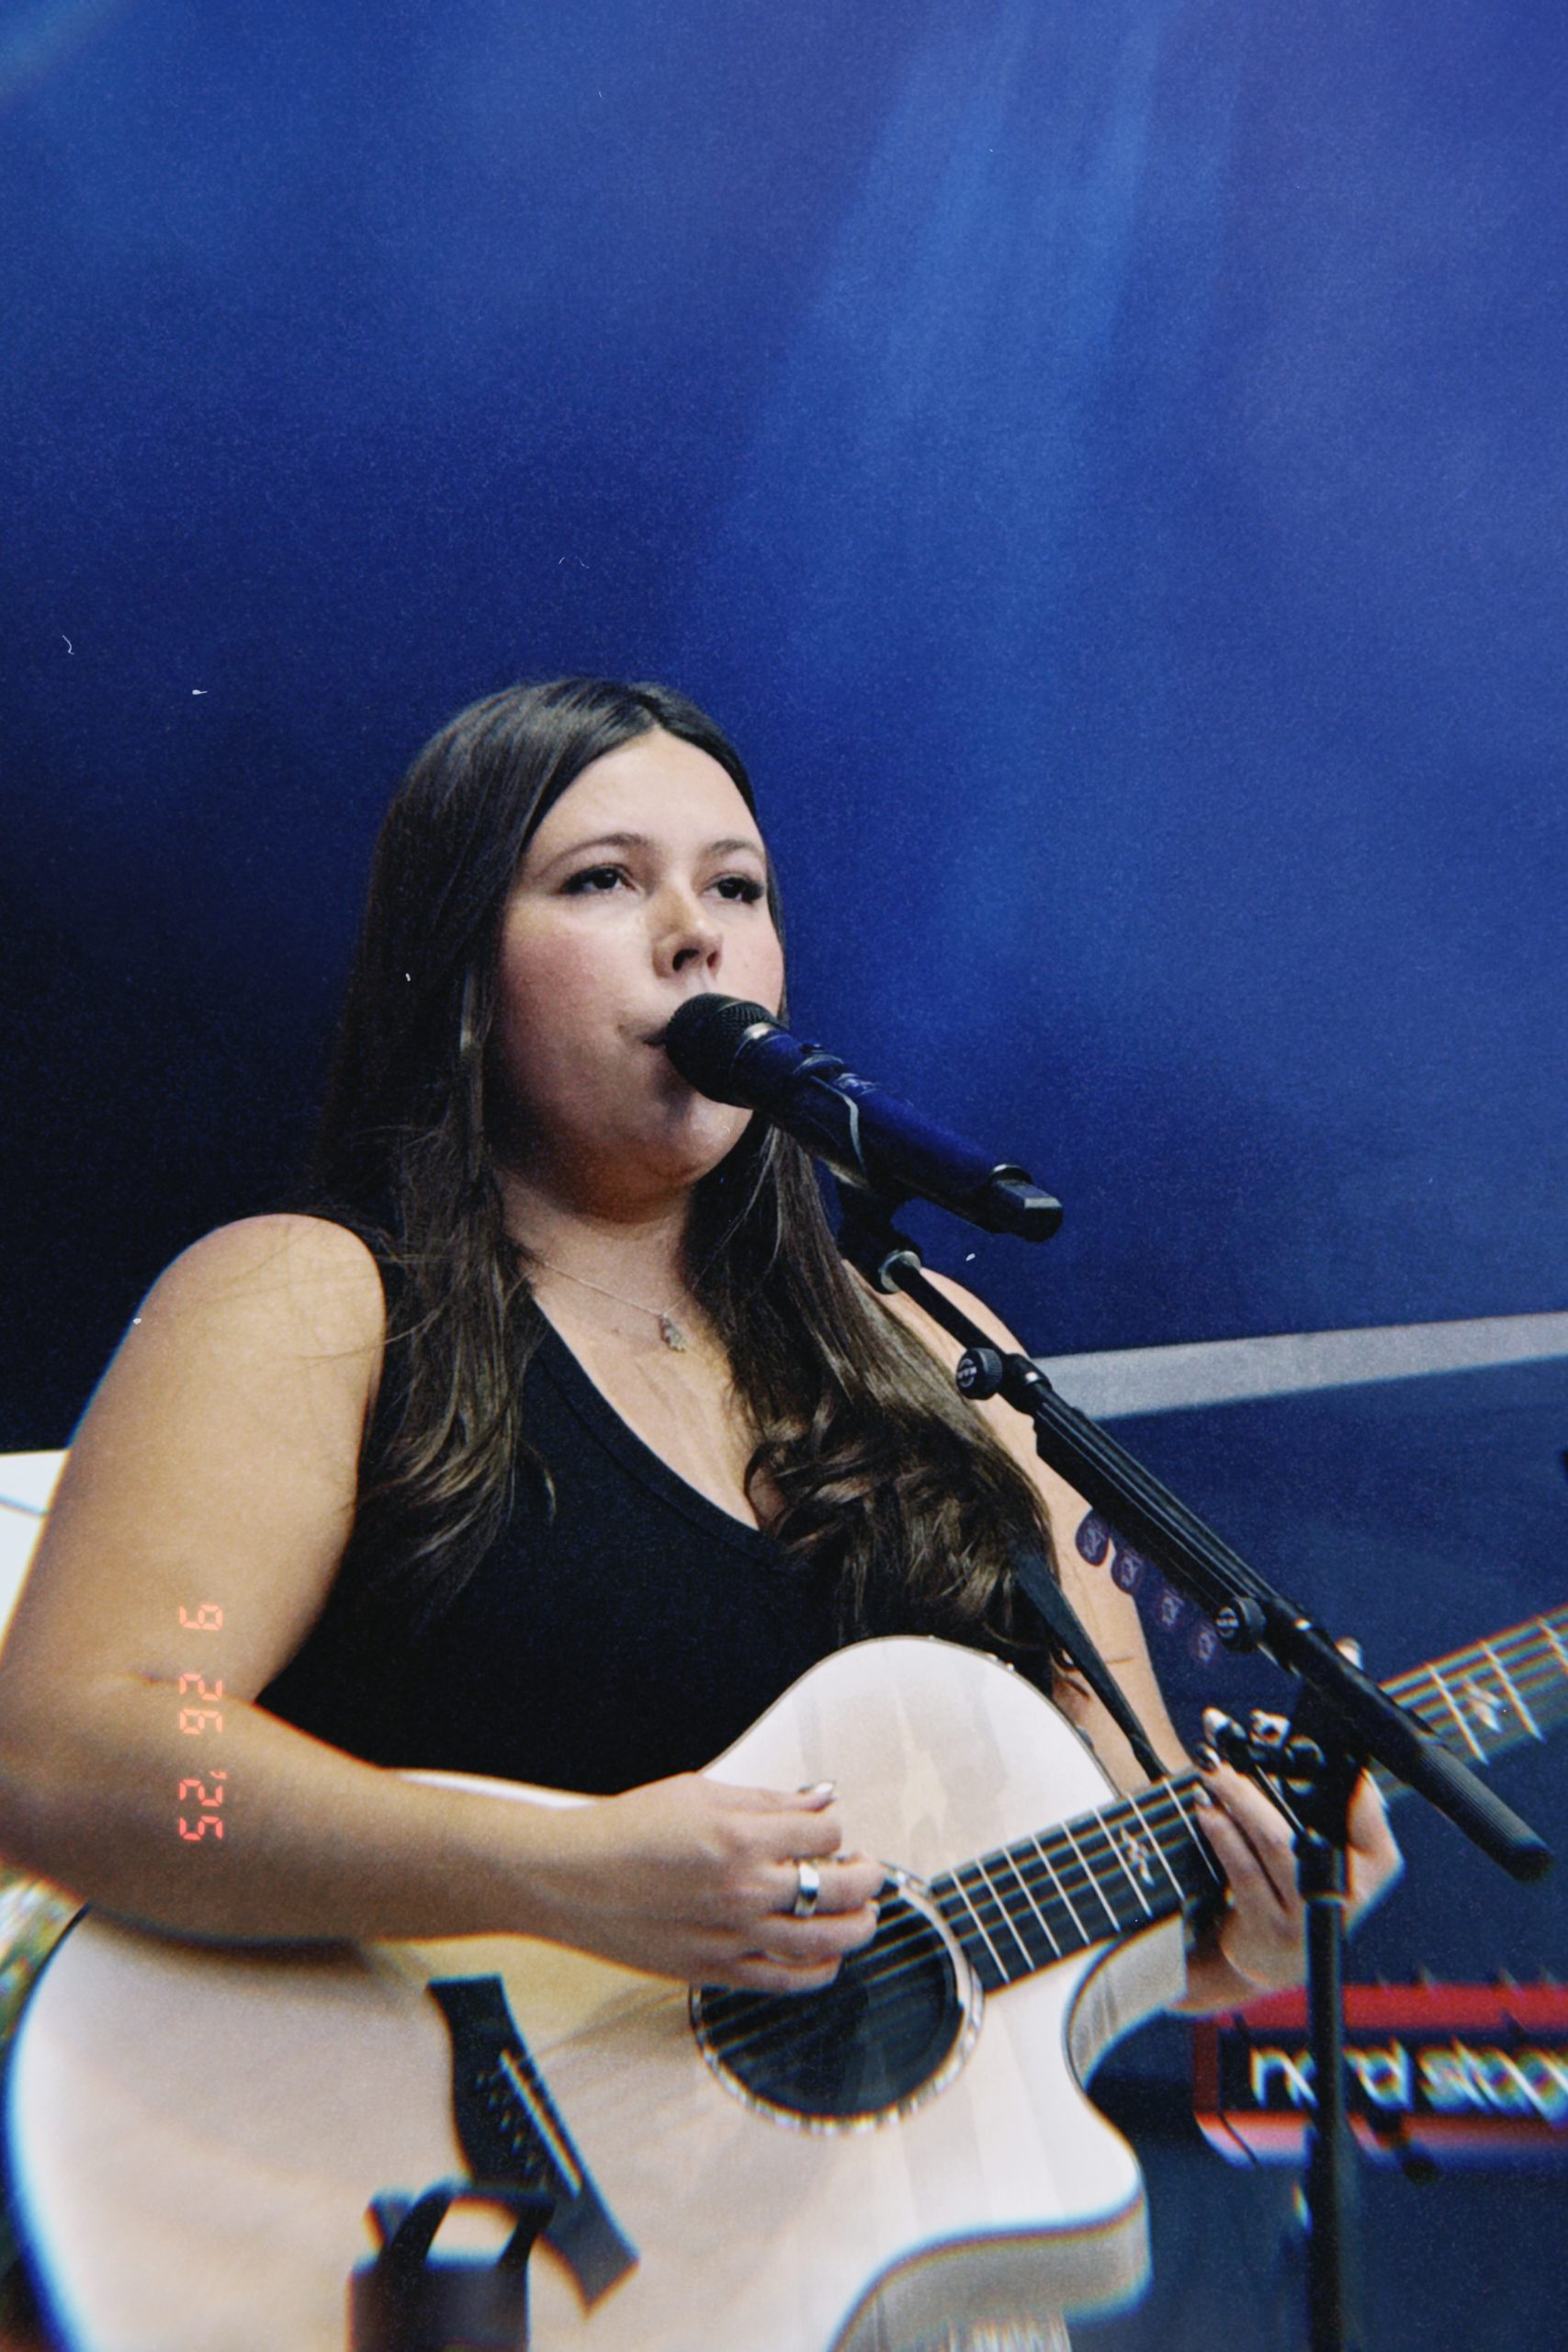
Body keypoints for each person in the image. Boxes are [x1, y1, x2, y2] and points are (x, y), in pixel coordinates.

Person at [0, 675, 1398, 2002]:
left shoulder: (941, 1350)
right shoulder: (309, 1301)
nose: (695, 933)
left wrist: (1232, 1949)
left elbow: (1089, 1871)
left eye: (736, 888)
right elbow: (74, 1760)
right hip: (395, 2152)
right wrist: (547, 1873)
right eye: (603, 881)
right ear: (464, 969)